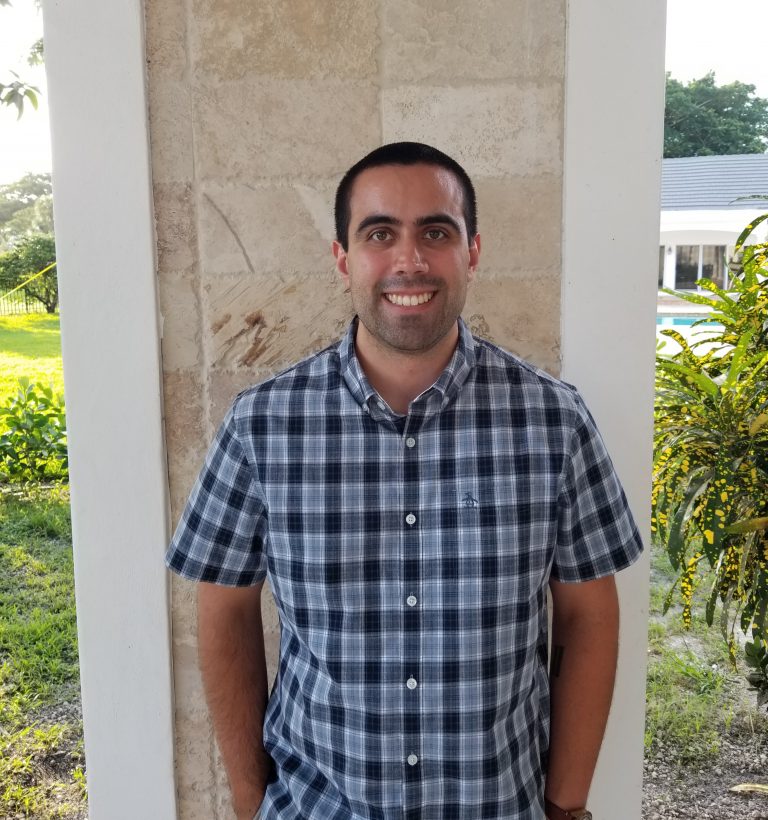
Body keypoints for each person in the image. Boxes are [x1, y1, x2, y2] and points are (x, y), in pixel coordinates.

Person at [166, 142, 643, 820]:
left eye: (436, 232)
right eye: (380, 233)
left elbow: (589, 616)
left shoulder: (553, 422)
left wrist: (566, 805)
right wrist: (251, 801)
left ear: (472, 252)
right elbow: (222, 609)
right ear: (343, 260)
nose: (409, 260)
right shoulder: (261, 426)